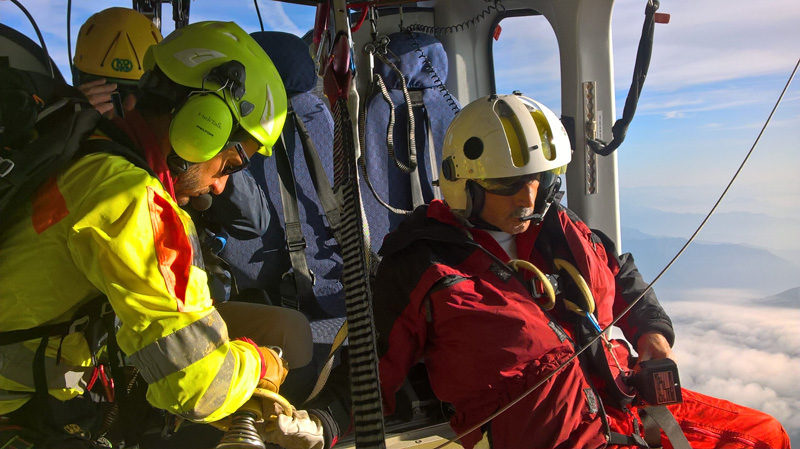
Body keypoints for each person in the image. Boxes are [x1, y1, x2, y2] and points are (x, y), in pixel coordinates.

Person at [372, 93, 791, 449]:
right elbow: (369, 367)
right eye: (509, 183)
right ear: (464, 183)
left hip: (624, 400)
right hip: (559, 436)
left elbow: (619, 269)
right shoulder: (422, 264)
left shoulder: (555, 223)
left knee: (768, 436)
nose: (528, 198)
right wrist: (321, 423)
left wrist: (653, 334)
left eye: (540, 179)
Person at [0, 21, 333, 449]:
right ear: (205, 125)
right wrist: (263, 363)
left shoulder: (87, 150)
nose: (219, 186)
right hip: (20, 409)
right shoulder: (129, 198)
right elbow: (200, 385)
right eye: (231, 164)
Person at [72, 7, 271, 305]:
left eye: (132, 95)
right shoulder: (81, 154)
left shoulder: (187, 156)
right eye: (103, 96)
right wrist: (77, 125)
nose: (122, 109)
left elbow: (253, 223)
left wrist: (200, 155)